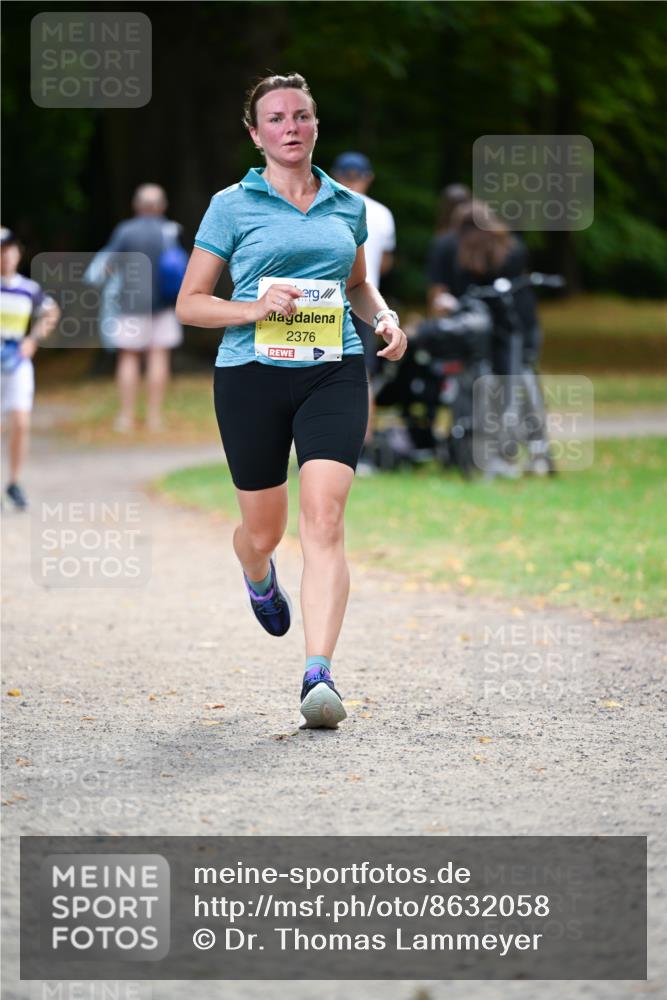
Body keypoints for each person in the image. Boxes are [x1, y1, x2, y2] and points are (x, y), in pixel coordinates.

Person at [176, 73, 407, 729]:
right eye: (275, 118)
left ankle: (318, 675)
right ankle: (255, 570)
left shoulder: (345, 205)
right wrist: (253, 306)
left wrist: (384, 319)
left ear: (314, 126)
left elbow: (359, 284)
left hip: (332, 367)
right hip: (250, 373)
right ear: (256, 133)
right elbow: (189, 303)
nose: (290, 127)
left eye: (301, 116)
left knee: (325, 520)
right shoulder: (231, 205)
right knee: (264, 530)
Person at [331, 152, 396, 474]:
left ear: (335, 175)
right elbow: (384, 262)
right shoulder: (382, 214)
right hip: (366, 304)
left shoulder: (326, 207)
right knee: (363, 376)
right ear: (368, 177)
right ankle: (362, 448)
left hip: (327, 301)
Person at [102, 184, 184, 433]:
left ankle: (126, 417)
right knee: (159, 356)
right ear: (162, 206)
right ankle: (154, 417)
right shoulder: (171, 230)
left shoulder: (125, 230)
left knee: (128, 357)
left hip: (131, 304)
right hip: (165, 303)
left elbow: (108, 266)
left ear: (137, 205)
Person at [0, 227, 60, 510]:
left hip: (16, 361)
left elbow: (50, 312)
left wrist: (33, 339)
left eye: (10, 249)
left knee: (21, 422)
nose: (6, 256)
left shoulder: (28, 288)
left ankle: (14, 481)